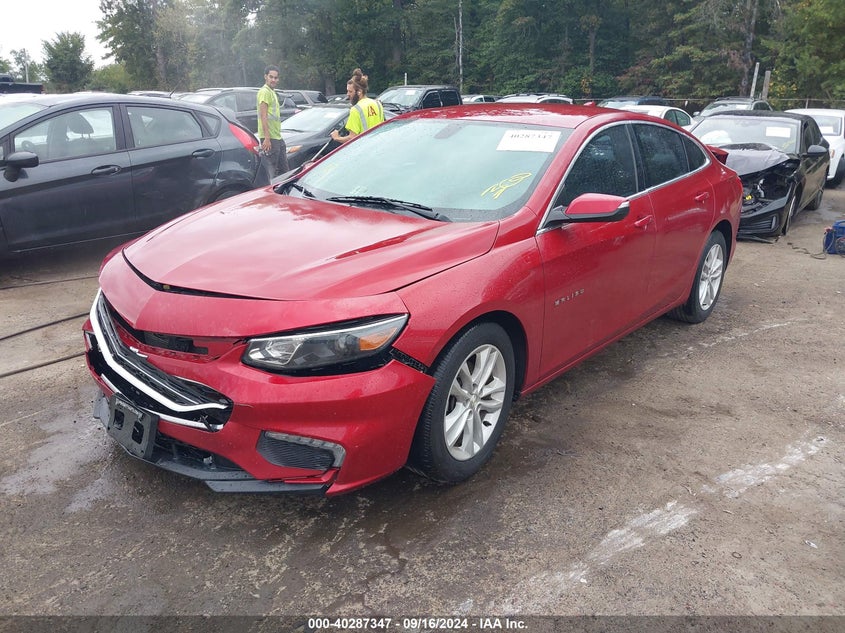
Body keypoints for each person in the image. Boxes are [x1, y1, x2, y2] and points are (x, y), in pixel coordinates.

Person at [330, 68, 385, 145]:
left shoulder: (356, 109)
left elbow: (352, 138)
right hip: (379, 145)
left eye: (350, 91)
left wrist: (337, 138)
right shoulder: (378, 104)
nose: (347, 94)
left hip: (364, 147)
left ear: (359, 91)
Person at [257, 64, 289, 175]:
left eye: (276, 78)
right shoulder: (265, 92)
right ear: (265, 77)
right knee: (270, 172)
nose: (273, 80)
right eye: (271, 77)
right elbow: (263, 116)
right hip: (269, 138)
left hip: (276, 137)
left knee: (284, 171)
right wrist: (267, 138)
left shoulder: (272, 92)